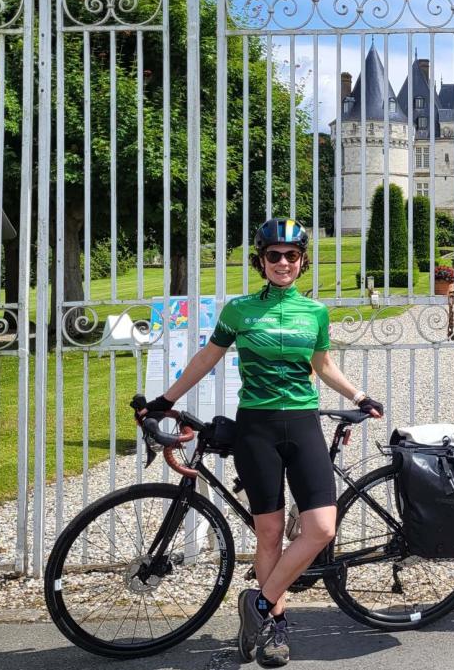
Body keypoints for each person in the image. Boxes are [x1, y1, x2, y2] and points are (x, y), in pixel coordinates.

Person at [136, 218, 382, 668]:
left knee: (322, 528)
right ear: (261, 261)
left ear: (302, 262)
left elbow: (322, 365)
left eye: (291, 255)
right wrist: (163, 401)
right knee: (268, 535)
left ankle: (258, 603)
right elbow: (207, 358)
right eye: (274, 255)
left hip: (302, 424)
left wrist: (359, 395)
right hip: (257, 428)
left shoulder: (315, 313)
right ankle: (274, 629)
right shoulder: (240, 311)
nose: (283, 262)